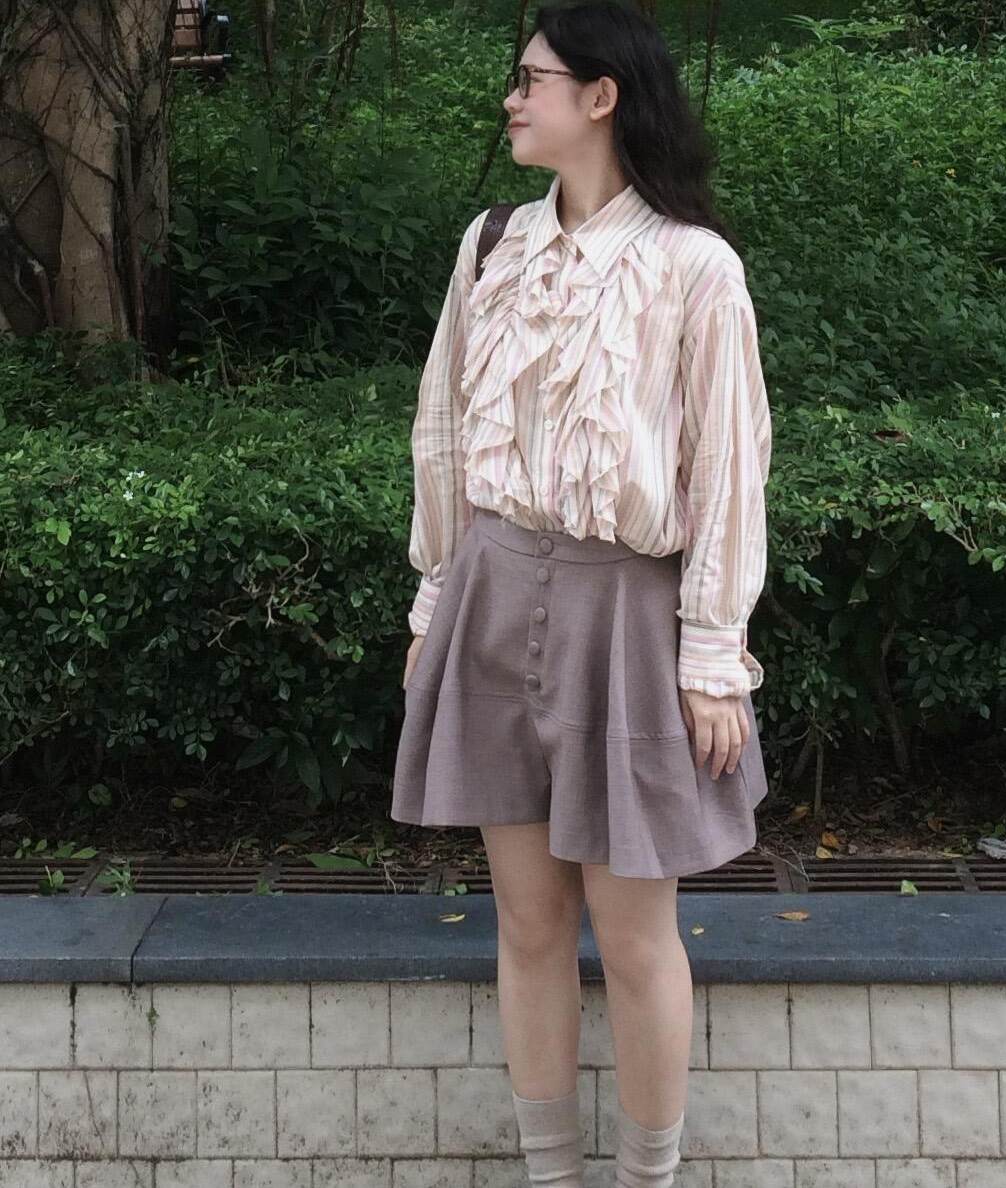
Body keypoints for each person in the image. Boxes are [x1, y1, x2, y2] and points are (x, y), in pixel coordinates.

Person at [391, 2, 772, 1183]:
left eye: (531, 80)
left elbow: (729, 467)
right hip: (493, 594)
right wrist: (432, 604)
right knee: (528, 919)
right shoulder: (490, 246)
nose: (512, 101)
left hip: (628, 616)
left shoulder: (694, 267)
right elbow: (442, 432)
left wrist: (712, 656)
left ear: (600, 96)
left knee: (636, 931)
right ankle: (551, 1176)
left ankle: (649, 1178)